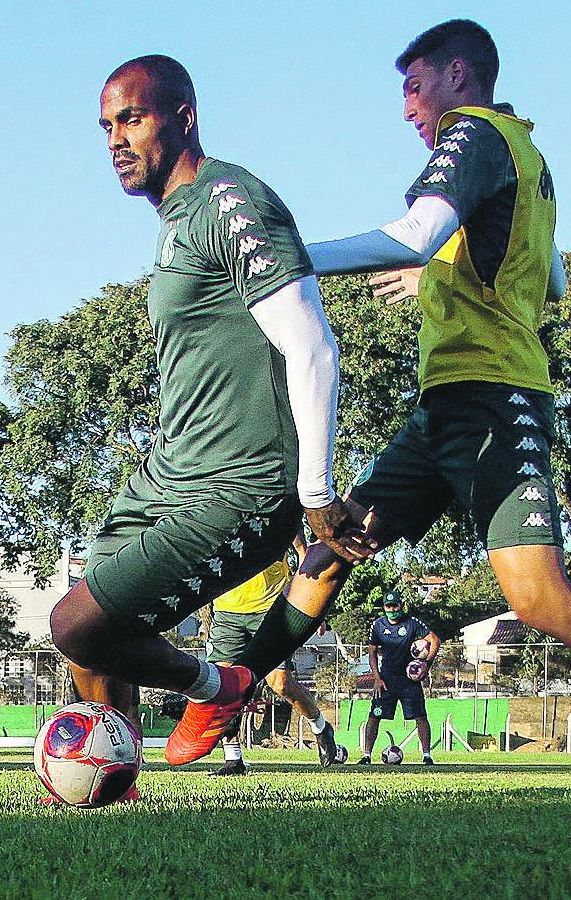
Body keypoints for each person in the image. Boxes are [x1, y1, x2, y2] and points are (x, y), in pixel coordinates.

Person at [212, 20, 571, 814]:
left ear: (455, 74)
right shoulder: (527, 154)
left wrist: (285, 261)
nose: (407, 107)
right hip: (444, 404)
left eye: (412, 86)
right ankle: (226, 699)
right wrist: (439, 278)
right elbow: (545, 276)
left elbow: (416, 230)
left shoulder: (472, 133)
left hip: (495, 399)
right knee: (333, 544)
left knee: (538, 598)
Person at [48, 55, 370, 770]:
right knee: (97, 645)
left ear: (183, 117)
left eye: (132, 118)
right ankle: (113, 786)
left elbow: (312, 346)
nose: (114, 140)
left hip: (242, 487)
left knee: (76, 626)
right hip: (165, 479)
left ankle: (216, 686)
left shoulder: (231, 199)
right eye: (105, 126)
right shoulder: (176, 220)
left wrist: (313, 494)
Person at [207, 537, 347, 774]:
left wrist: (315, 608)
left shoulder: (278, 513)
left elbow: (306, 558)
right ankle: (233, 759)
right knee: (225, 688)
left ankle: (320, 727)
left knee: (281, 684)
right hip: (226, 611)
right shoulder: (219, 512)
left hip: (270, 609)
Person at [358, 591, 439, 765]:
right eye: (388, 606)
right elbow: (372, 652)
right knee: (374, 716)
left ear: (401, 605)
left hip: (410, 681)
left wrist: (427, 665)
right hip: (386, 681)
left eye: (395, 605)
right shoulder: (378, 625)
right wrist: (377, 678)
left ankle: (426, 756)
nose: (392, 609)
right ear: (384, 608)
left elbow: (435, 640)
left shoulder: (411, 623)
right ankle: (366, 756)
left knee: (420, 717)